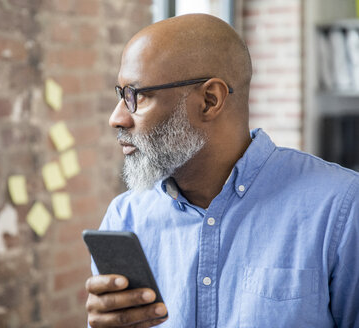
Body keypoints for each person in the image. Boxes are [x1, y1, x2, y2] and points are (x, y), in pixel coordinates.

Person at [84, 13, 359, 328]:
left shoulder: (342, 207)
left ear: (209, 100)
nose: (116, 118)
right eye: (120, 95)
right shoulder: (125, 217)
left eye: (137, 95)